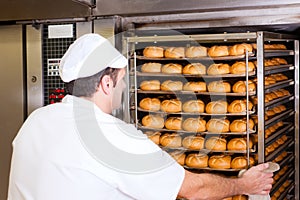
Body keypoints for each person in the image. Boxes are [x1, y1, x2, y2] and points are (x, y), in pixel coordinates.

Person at [8, 33, 273, 200]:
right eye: (122, 81)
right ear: (106, 84)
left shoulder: (35, 121)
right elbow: (193, 190)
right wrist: (244, 184)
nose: (123, 88)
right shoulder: (110, 136)